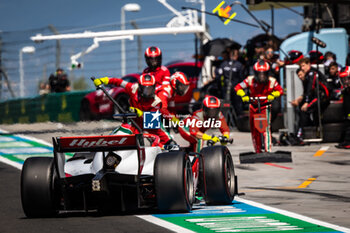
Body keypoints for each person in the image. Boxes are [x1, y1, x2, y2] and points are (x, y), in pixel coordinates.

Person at [93, 74, 175, 147]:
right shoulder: (133, 88)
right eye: (145, 89)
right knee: (123, 132)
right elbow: (118, 82)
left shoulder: (156, 102)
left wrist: (140, 114)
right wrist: (105, 80)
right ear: (140, 87)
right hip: (133, 122)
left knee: (167, 140)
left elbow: (152, 122)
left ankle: (169, 146)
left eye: (150, 88)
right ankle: (107, 142)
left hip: (151, 124)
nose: (148, 92)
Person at [235, 60, 284, 153]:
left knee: (266, 128)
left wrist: (273, 95)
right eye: (260, 73)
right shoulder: (249, 80)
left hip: (265, 106)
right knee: (254, 129)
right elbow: (237, 87)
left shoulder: (272, 81)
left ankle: (267, 149)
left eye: (264, 73)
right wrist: (243, 95)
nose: (262, 76)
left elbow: (280, 90)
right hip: (253, 105)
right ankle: (257, 150)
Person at [291, 57, 330, 140]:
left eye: (303, 66)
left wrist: (307, 102)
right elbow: (307, 91)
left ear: (308, 64)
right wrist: (300, 99)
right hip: (317, 96)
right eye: (301, 66)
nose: (302, 68)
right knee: (302, 108)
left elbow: (310, 88)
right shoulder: (309, 74)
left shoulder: (312, 73)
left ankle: (302, 134)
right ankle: (304, 132)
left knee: (304, 109)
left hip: (322, 97)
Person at [214, 49, 245, 116]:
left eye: (235, 54)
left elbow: (241, 78)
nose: (233, 56)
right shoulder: (223, 64)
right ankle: (225, 120)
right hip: (225, 89)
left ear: (237, 56)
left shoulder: (239, 65)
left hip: (236, 89)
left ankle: (238, 121)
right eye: (232, 54)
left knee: (237, 106)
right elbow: (219, 76)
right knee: (225, 106)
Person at [336, 69, 350, 149]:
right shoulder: (346, 91)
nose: (345, 81)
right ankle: (345, 140)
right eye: (343, 79)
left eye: (346, 79)